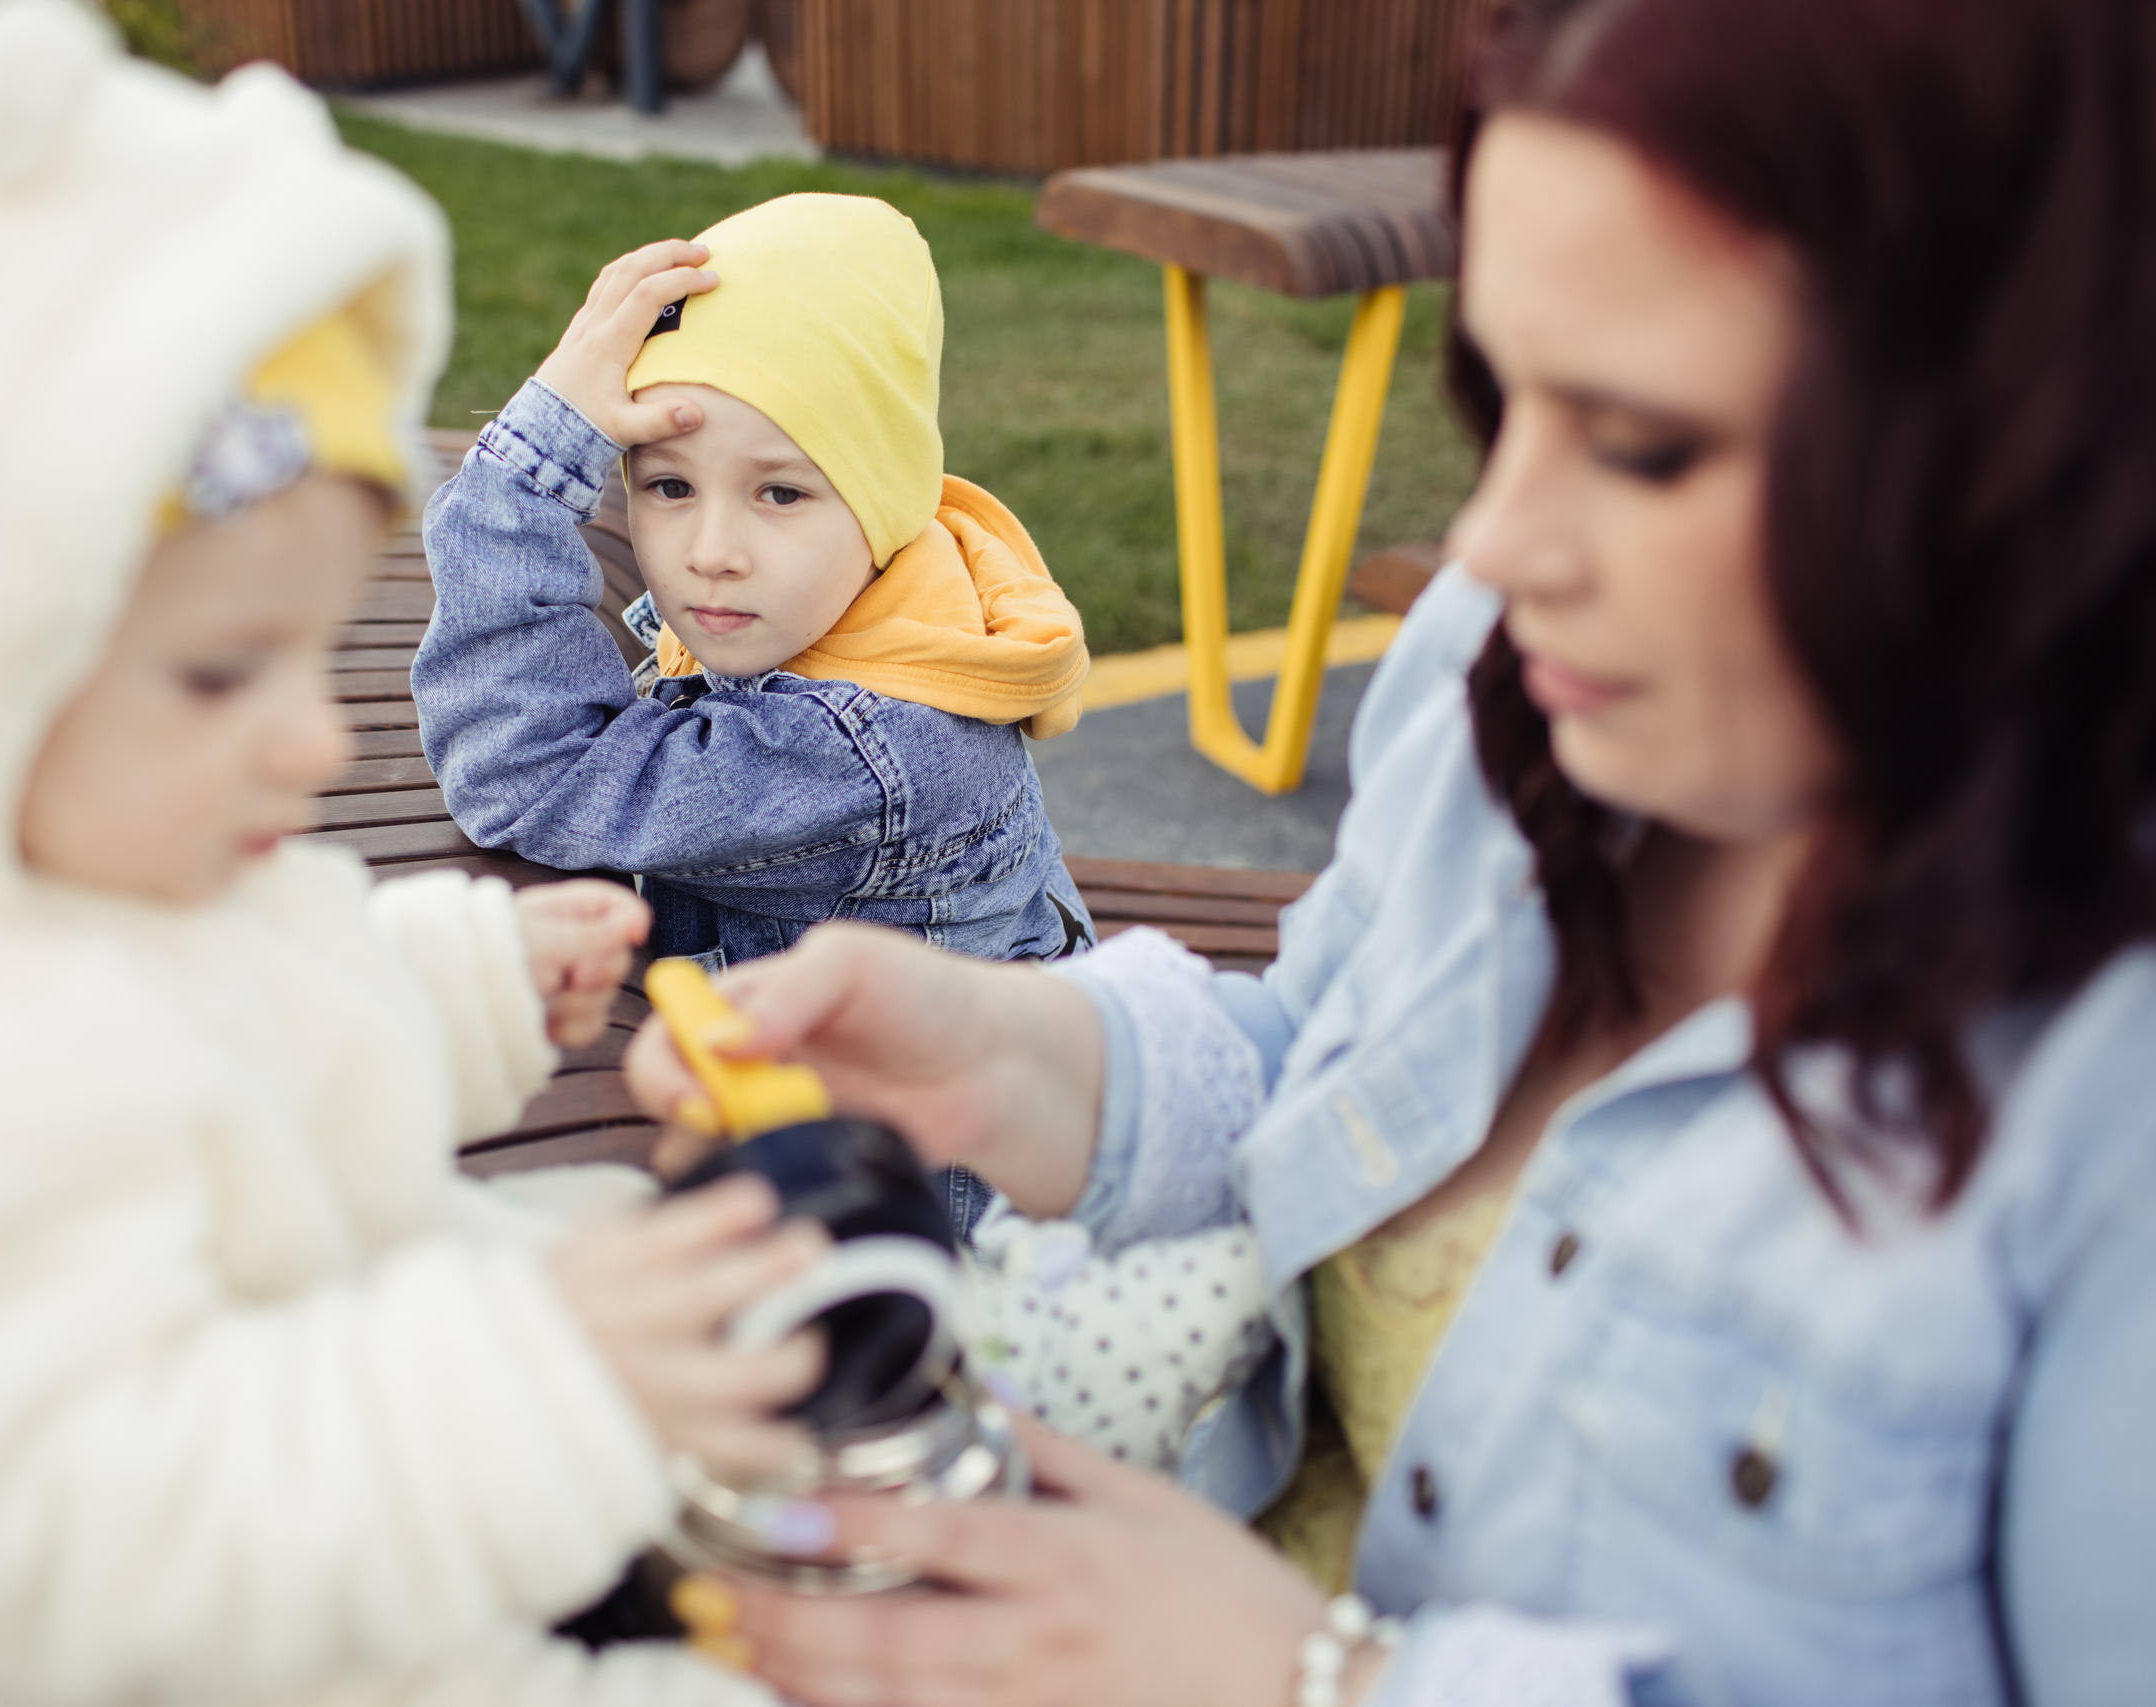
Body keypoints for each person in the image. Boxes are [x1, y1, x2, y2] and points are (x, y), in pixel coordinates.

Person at [621, 0, 2156, 1701]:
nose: (1495, 537)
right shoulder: (1513, 667)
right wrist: (1009, 1054)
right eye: (1500, 402)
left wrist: (1314, 1677)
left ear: (2023, 438)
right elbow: (1336, 1042)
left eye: (1642, 444)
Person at [0, 7, 818, 1705]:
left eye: (309, 654)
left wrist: (461, 981)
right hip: (186, 1650)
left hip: (355, 1482)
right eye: (219, 673)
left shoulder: (86, 868)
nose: (314, 740)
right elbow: (68, 1545)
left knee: (672, 1290)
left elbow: (245, 1031)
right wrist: (536, 1387)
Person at [412, 194, 1097, 982]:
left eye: (779, 493)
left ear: (885, 500)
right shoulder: (883, 597)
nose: (712, 554)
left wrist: (529, 464)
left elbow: (523, 773)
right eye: (670, 485)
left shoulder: (863, 749)